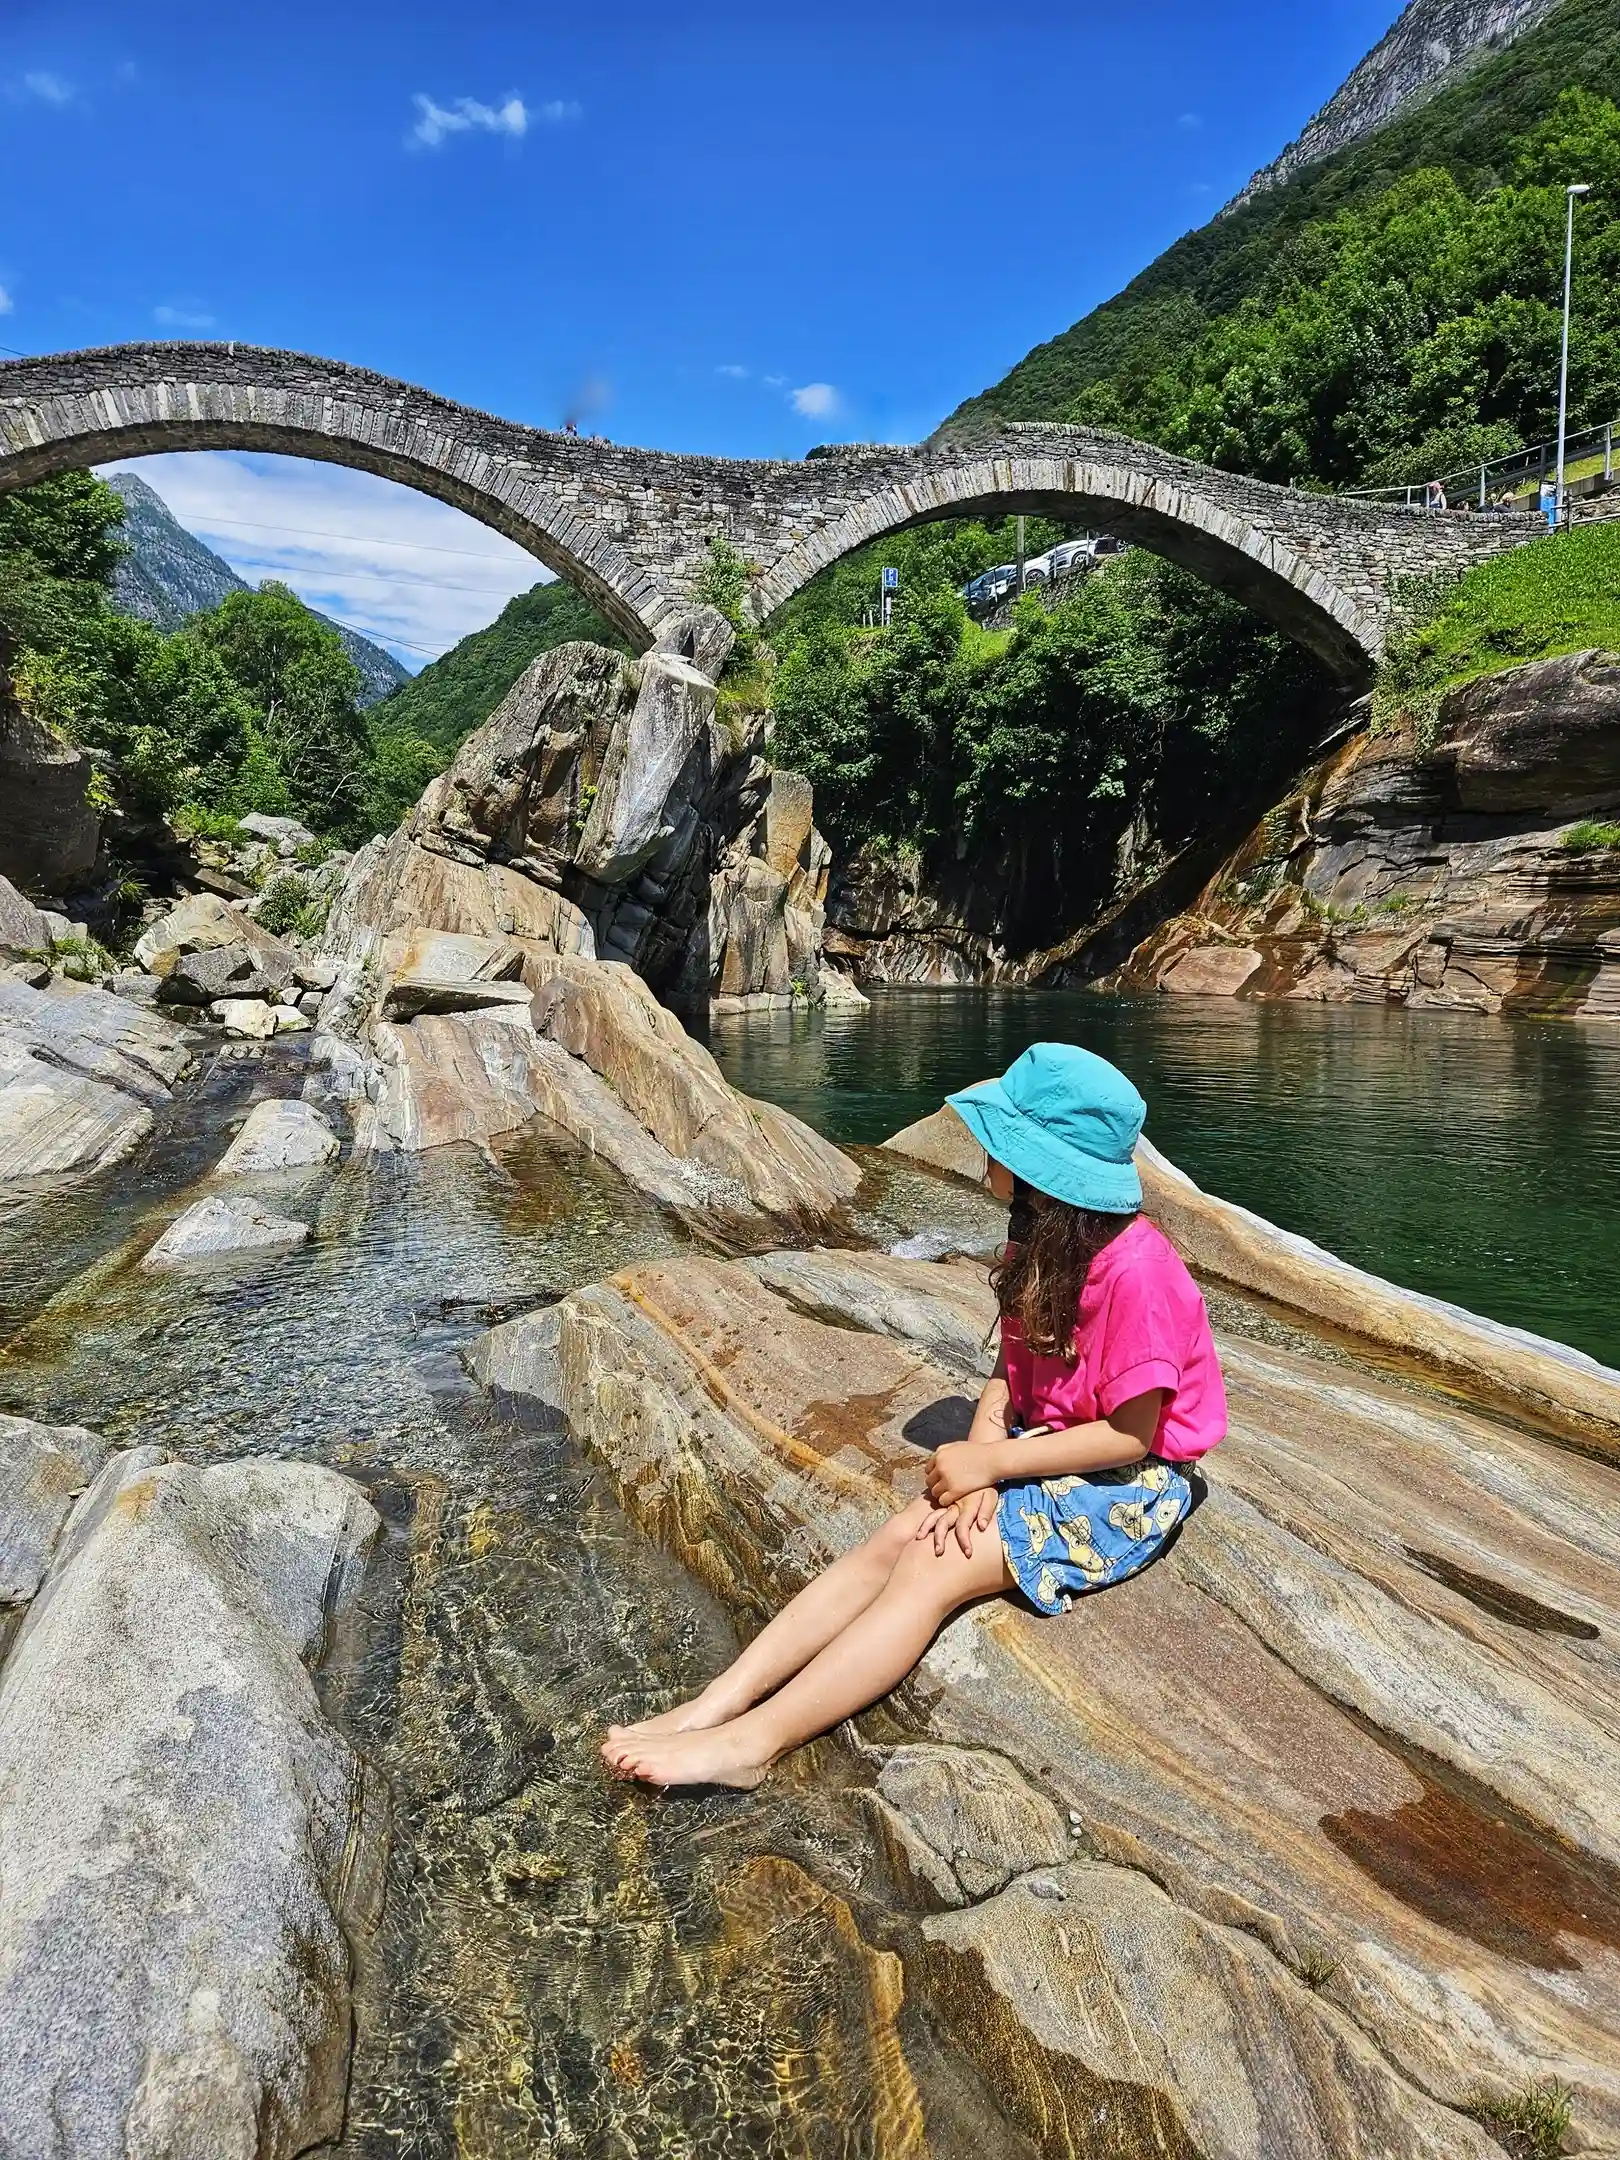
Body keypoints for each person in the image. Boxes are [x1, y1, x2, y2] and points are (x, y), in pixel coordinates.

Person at [602, 1042, 1228, 1790]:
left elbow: (1133, 1433)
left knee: (934, 1563)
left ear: (1039, 1168)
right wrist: (981, 1464)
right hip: (1050, 1443)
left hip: (1126, 1480)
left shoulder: (1138, 1274)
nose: (982, 1157)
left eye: (996, 1144)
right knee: (903, 1531)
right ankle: (716, 1704)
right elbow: (1012, 1372)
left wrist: (992, 1465)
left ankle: (755, 1744)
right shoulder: (1039, 1241)